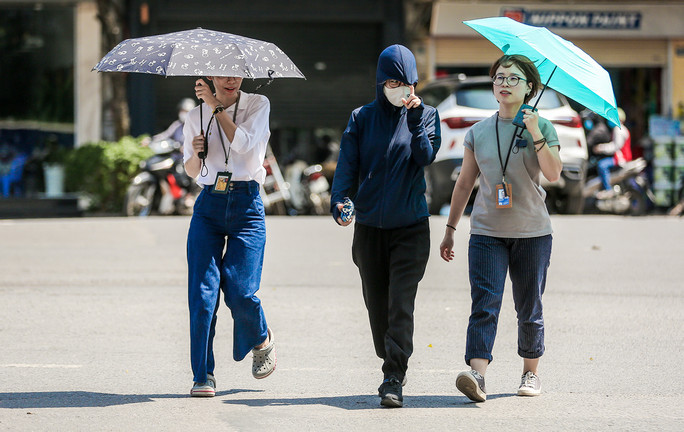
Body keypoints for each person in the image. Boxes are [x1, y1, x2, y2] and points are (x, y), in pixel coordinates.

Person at [439, 54, 562, 402]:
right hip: (486, 232)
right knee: (485, 303)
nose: (504, 84)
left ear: (529, 87)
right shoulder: (478, 132)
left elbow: (553, 173)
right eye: (499, 77)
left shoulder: (543, 127)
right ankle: (477, 374)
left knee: (529, 307)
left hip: (532, 232)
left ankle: (530, 372)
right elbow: (465, 183)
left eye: (513, 78)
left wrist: (535, 131)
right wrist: (450, 228)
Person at [330, 44, 441, 408]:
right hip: (369, 230)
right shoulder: (361, 117)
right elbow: (347, 165)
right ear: (380, 83)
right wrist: (339, 200)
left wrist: (415, 119)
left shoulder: (427, 115)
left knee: (400, 304)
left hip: (411, 228)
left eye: (406, 83)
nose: (399, 89)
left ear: (414, 83)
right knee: (377, 307)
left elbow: (425, 157)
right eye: (392, 82)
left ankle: (393, 375)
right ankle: (391, 355)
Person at [183, 75, 276, 397]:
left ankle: (260, 337)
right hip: (209, 204)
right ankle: (203, 375)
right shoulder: (195, 116)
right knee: (202, 295)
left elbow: (243, 144)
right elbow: (191, 171)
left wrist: (214, 105)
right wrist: (196, 153)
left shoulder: (257, 104)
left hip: (247, 205)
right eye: (223, 72)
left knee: (240, 291)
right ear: (210, 75)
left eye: (237, 72)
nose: (231, 79)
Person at [593, 108, 632, 199]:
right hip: (621, 158)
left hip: (620, 159)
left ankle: (608, 189)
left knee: (602, 165)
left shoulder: (619, 130)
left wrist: (601, 148)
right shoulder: (621, 129)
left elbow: (615, 146)